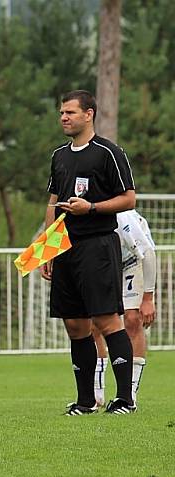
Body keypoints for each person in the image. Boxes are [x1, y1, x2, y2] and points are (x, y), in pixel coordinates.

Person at [42, 89, 136, 415]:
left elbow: (129, 199)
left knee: (107, 320)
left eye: (70, 112)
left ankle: (125, 399)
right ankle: (86, 401)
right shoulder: (59, 156)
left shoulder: (108, 153)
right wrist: (46, 250)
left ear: (89, 114)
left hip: (98, 244)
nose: (64, 118)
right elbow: (53, 204)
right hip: (65, 248)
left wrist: (91, 207)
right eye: (61, 113)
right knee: (75, 325)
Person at [92, 209, 156, 407]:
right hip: (104, 265)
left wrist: (148, 297)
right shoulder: (80, 216)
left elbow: (148, 253)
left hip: (132, 261)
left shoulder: (123, 219)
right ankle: (96, 394)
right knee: (94, 323)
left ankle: (129, 394)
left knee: (132, 319)